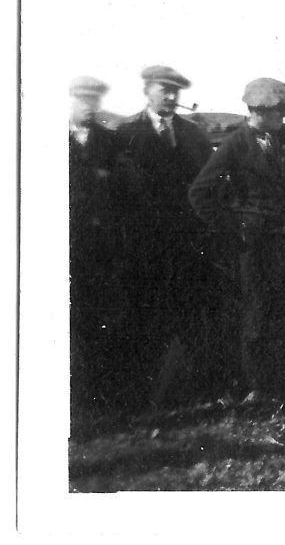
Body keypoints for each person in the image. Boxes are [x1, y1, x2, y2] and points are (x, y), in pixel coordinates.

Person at [189, 78, 285, 403]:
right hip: (252, 245)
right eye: (276, 113)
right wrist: (236, 225)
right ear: (257, 112)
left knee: (284, 309)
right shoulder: (235, 143)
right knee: (256, 313)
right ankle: (256, 385)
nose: (283, 118)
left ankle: (282, 382)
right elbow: (200, 193)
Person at [117, 65, 213, 408]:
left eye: (175, 92)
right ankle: (144, 393)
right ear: (147, 91)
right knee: (148, 316)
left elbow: (206, 183)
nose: (170, 97)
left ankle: (190, 390)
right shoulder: (126, 133)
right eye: (163, 90)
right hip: (145, 243)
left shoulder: (193, 134)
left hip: (187, 242)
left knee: (189, 313)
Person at [69, 76, 126, 417]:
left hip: (103, 244)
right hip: (69, 243)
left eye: (95, 101)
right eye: (83, 100)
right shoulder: (46, 139)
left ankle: (103, 396)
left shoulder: (111, 141)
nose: (89, 107)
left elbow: (125, 189)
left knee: (103, 317)